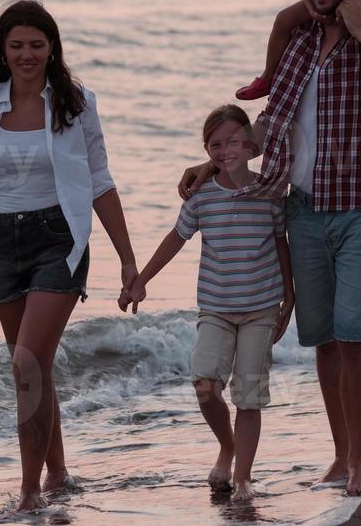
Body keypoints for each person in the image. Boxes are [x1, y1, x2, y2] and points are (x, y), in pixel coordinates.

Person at [183, 0, 361, 496]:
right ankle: (341, 454)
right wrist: (217, 163)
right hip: (302, 210)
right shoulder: (299, 44)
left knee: (353, 337)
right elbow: (271, 120)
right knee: (322, 338)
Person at [0, 0, 139, 512]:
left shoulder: (76, 102)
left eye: (37, 44)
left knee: (26, 362)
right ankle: (59, 476)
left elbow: (100, 181)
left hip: (59, 238)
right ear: (2, 50)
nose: (27, 54)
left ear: (52, 49)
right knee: (34, 368)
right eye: (17, 45)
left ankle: (29, 491)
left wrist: (128, 260)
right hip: (0, 241)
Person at [120, 105, 293, 502]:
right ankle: (227, 447)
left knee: (249, 396)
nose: (224, 149)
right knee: (204, 386)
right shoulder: (202, 198)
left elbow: (281, 244)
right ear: (206, 150)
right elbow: (175, 239)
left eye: (233, 141)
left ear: (251, 145)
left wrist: (291, 296)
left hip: (261, 308)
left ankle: (244, 477)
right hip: (215, 307)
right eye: (215, 144)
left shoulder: (270, 192)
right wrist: (141, 281)